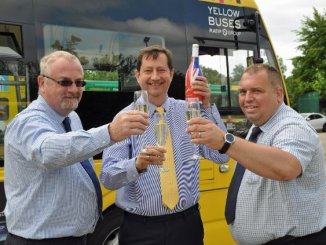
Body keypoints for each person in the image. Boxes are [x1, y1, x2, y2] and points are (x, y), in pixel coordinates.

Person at [4, 50, 149, 245]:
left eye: (79, 82)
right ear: (41, 82)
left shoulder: (71, 117)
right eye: (65, 82)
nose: (74, 89)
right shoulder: (27, 122)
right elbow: (49, 152)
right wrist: (110, 132)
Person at [100, 45, 229, 245]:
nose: (155, 77)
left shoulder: (189, 111)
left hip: (187, 225)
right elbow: (108, 177)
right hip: (140, 229)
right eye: (148, 70)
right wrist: (136, 165)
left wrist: (206, 106)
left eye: (161, 70)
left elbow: (221, 156)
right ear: (137, 75)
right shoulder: (125, 119)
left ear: (170, 74)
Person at [187, 64, 326, 244]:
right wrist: (206, 108)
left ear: (278, 94)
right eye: (243, 92)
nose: (247, 99)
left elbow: (287, 167)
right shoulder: (262, 123)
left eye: (257, 91)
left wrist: (225, 141)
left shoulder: (293, 126)